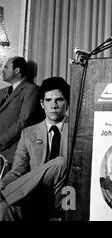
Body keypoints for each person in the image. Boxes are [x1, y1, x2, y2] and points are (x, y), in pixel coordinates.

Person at [0, 77, 70, 221]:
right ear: (42, 104)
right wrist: (4, 183)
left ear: (67, 103)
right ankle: (7, 193)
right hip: (32, 194)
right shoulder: (28, 133)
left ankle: (8, 193)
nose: (54, 105)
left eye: (59, 100)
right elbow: (17, 171)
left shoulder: (78, 132)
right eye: (49, 100)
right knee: (3, 207)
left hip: (65, 195)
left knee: (61, 162)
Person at [0, 57, 44, 163]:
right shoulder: (2, 91)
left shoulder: (31, 90)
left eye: (6, 67)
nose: (2, 71)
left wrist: (1, 142)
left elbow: (23, 122)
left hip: (12, 153)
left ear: (17, 70)